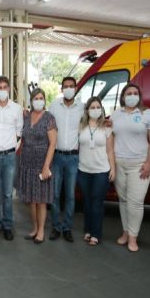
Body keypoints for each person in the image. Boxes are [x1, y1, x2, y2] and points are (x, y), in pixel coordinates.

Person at [111, 83, 150, 252]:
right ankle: (125, 232)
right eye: (128, 93)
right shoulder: (116, 114)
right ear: (123, 97)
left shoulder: (148, 114)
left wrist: (149, 162)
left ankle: (133, 237)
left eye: (135, 93)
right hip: (119, 163)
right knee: (123, 200)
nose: (132, 96)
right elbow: (111, 136)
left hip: (140, 165)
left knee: (136, 202)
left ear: (139, 96)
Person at [17, 88, 57, 244]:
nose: (39, 101)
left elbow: (53, 144)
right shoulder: (26, 117)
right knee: (31, 200)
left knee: (41, 200)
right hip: (27, 164)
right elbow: (22, 139)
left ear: (44, 100)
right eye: (36, 98)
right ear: (31, 101)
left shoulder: (49, 118)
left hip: (42, 165)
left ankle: (41, 231)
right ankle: (34, 228)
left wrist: (46, 166)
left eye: (41, 98)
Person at [0, 75, 23, 241]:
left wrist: (10, 146)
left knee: (8, 194)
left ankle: (7, 226)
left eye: (5, 87)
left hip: (9, 157)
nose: (2, 90)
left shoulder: (16, 109)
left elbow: (19, 132)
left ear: (9, 89)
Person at [48, 76, 84, 242]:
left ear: (75, 88)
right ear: (62, 89)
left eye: (71, 86)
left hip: (73, 158)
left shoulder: (82, 108)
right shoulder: (54, 106)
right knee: (55, 194)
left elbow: (92, 124)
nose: (68, 88)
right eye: (66, 86)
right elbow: (46, 124)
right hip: (56, 156)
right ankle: (56, 226)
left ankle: (67, 227)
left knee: (70, 195)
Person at [77, 97, 116, 246]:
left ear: (102, 109)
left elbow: (110, 150)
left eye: (98, 107)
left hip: (101, 171)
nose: (95, 110)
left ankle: (96, 233)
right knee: (87, 202)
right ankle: (88, 230)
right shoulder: (81, 126)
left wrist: (113, 168)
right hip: (83, 170)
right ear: (87, 110)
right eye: (92, 107)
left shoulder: (107, 127)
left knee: (97, 202)